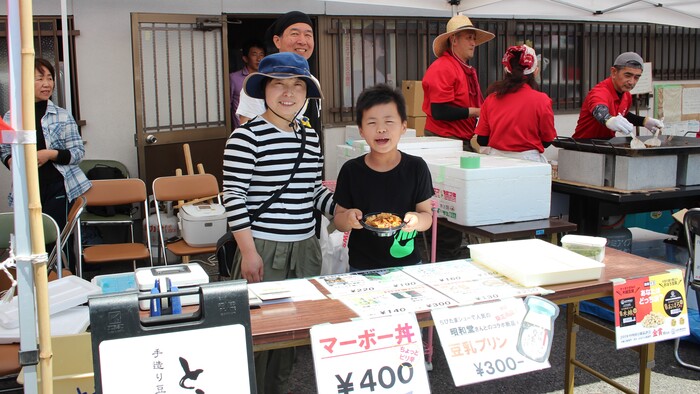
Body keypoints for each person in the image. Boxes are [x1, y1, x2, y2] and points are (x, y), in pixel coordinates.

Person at [222, 51, 335, 394]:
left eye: (297, 86)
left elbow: (313, 189)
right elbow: (234, 197)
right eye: (279, 85)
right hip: (263, 249)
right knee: (257, 333)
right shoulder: (245, 137)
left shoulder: (310, 135)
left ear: (306, 93)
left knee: (291, 334)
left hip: (305, 247)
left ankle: (279, 389)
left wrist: (341, 210)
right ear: (263, 90)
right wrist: (249, 252)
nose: (288, 93)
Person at [1, 59, 91, 269]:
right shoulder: (12, 117)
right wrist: (11, 160)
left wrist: (49, 154)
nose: (47, 83)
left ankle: (66, 282)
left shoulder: (61, 114)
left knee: (59, 242)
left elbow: (78, 153)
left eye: (49, 78)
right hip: (27, 191)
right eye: (39, 78)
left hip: (59, 188)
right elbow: (5, 150)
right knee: (32, 244)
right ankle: (38, 291)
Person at [333, 84, 433, 271]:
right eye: (372, 123)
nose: (381, 129)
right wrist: (348, 218)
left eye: (389, 121)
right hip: (361, 266)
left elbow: (427, 215)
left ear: (403, 126)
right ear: (361, 130)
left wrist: (417, 220)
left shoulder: (416, 167)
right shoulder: (351, 170)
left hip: (409, 265)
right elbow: (338, 220)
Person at [236, 11, 320, 136]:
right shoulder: (261, 82)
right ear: (277, 41)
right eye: (295, 34)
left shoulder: (313, 81)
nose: (302, 41)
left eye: (308, 35)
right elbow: (248, 132)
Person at [421, 14, 494, 151]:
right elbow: (439, 111)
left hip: (457, 138)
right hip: (444, 139)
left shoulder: (462, 67)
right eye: (468, 38)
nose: (473, 43)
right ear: (454, 40)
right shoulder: (443, 67)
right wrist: (476, 111)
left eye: (474, 38)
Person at [475, 45, 557, 163]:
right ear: (535, 71)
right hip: (530, 163)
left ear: (506, 70)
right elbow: (547, 140)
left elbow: (481, 140)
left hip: (495, 163)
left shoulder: (491, 99)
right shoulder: (542, 100)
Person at [573, 51, 664, 140]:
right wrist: (608, 119)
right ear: (614, 72)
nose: (632, 81)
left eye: (636, 77)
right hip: (584, 146)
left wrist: (644, 121)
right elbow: (598, 109)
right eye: (627, 75)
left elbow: (622, 114)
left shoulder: (626, 95)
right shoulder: (600, 92)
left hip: (607, 144)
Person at [229, 39, 265, 129]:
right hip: (242, 129)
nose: (259, 59)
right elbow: (227, 106)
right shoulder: (234, 78)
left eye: (261, 54)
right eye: (254, 54)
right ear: (245, 58)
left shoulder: (268, 78)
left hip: (264, 128)